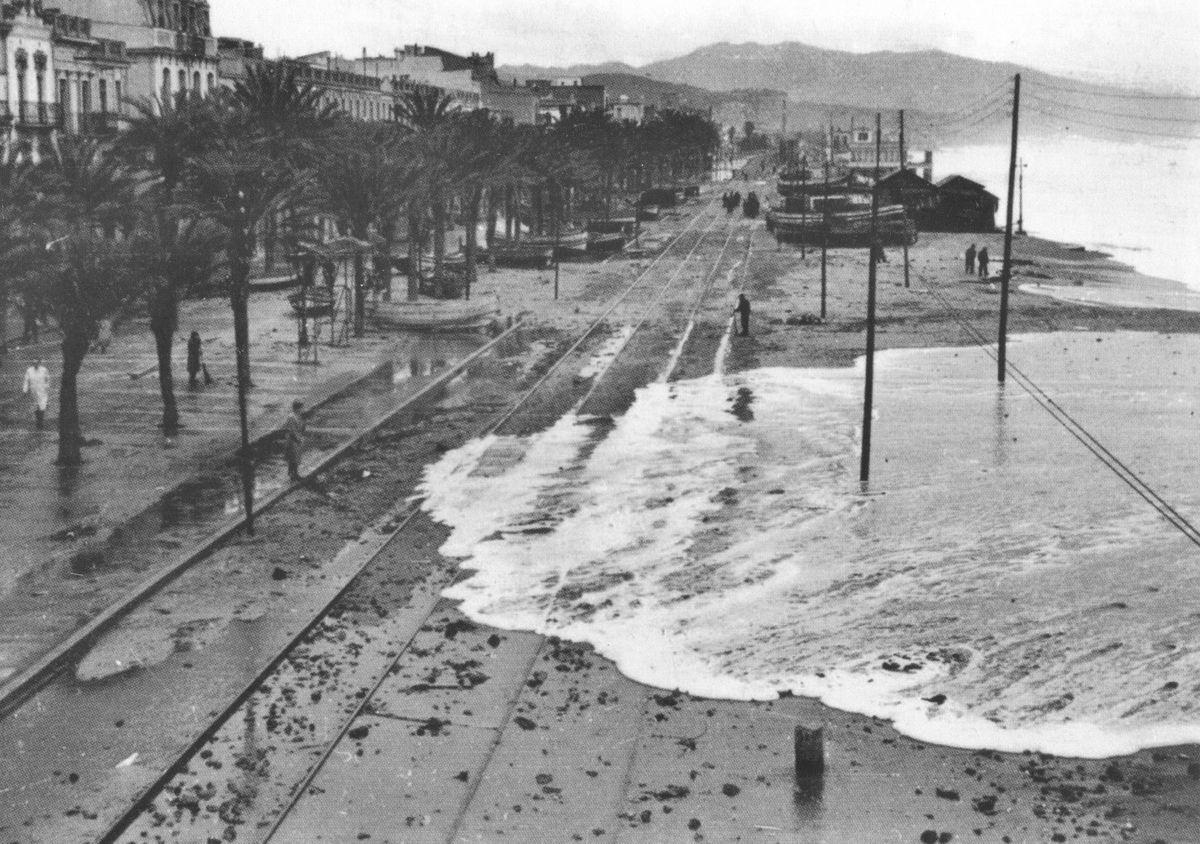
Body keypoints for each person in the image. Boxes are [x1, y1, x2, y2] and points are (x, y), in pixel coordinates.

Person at [22, 357, 50, 430]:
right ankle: (38, 421)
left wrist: (46, 387)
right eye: (34, 363)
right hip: (33, 391)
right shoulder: (29, 371)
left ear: (39, 363)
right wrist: (25, 390)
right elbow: (26, 381)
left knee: (42, 406)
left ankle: (40, 421)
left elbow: (47, 379)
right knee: (35, 406)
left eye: (36, 363)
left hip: (42, 391)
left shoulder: (44, 370)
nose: (35, 364)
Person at [284, 399, 306, 481]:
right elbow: (293, 430)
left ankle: (295, 473)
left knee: (297, 457)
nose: (302, 409)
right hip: (292, 440)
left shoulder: (298, 416)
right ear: (297, 408)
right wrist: (298, 438)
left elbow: (302, 427)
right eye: (301, 408)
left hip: (298, 439)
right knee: (292, 457)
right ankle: (291, 474)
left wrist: (301, 437)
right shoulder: (291, 417)